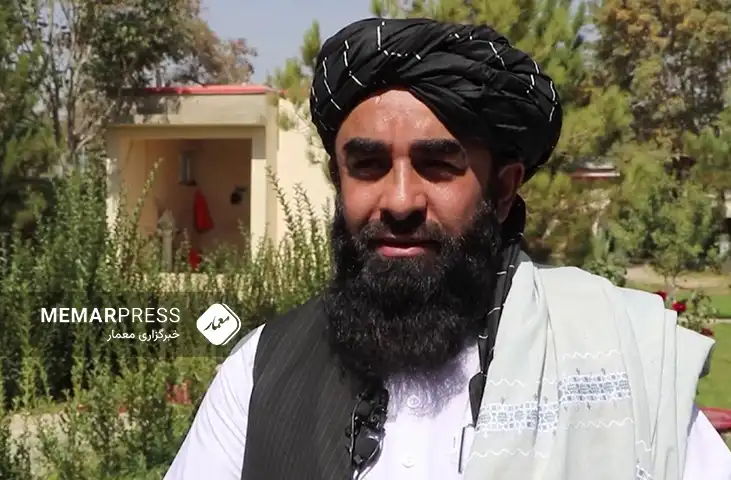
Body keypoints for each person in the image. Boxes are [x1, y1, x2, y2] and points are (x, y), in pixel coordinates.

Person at [164, 17, 731, 480]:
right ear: (340, 181)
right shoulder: (261, 372)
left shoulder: (619, 357)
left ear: (503, 190)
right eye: (368, 165)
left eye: (437, 165)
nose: (400, 201)